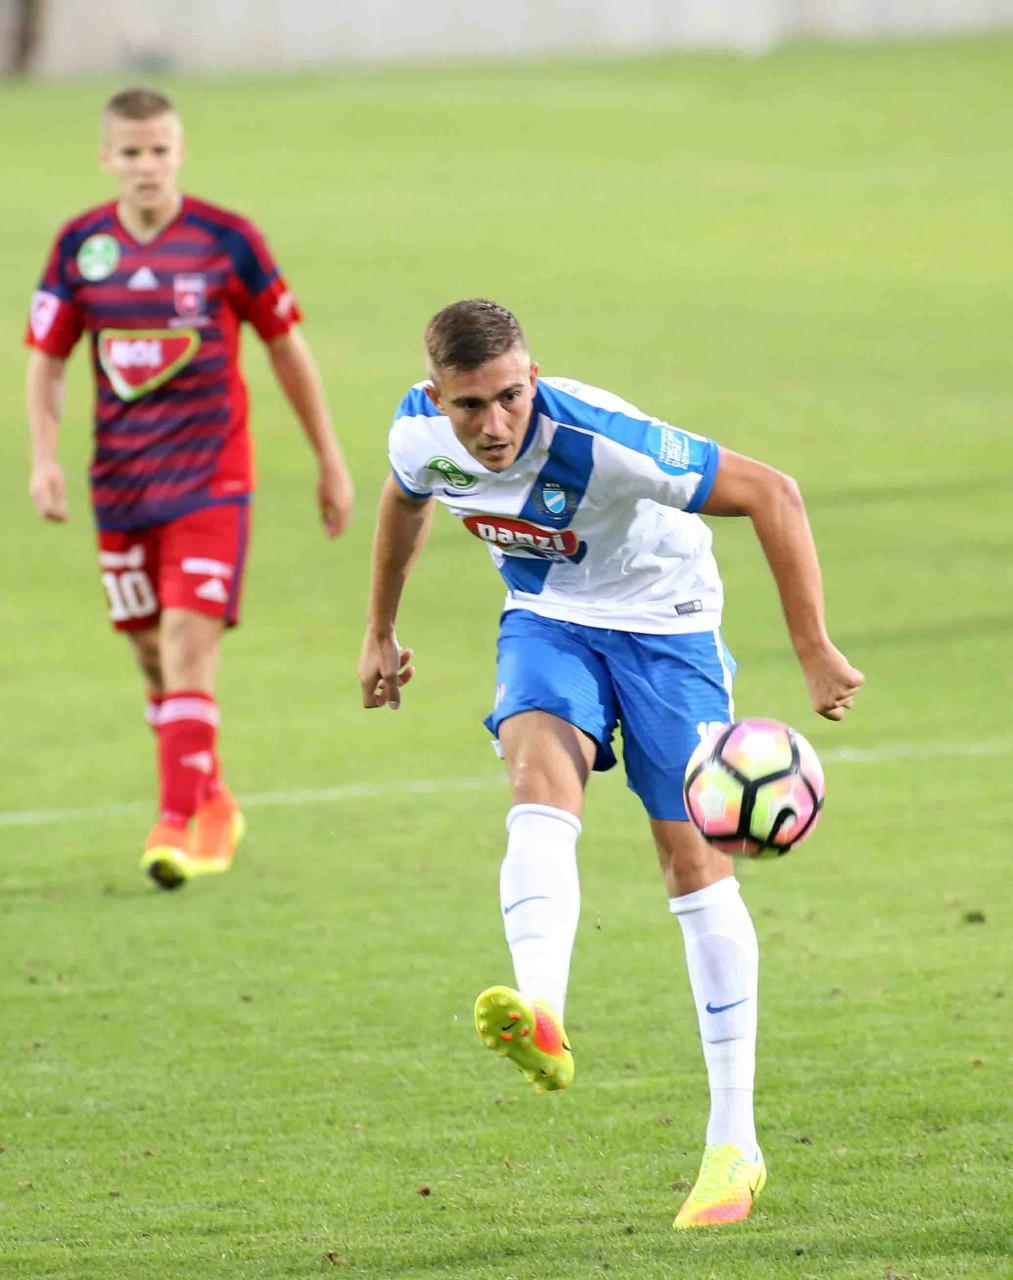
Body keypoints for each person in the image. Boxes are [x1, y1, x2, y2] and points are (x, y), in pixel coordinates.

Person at [358, 299, 864, 1228]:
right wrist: (379, 630)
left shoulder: (603, 441)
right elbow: (405, 497)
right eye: (470, 405)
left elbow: (772, 492)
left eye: (510, 397)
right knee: (536, 782)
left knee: (692, 867)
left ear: (532, 378)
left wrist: (813, 648)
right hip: (548, 619)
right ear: (437, 397)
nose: (494, 424)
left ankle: (733, 1145)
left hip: (668, 627)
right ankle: (541, 1014)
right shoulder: (417, 433)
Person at [26, 87, 354, 890]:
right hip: (121, 485)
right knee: (150, 654)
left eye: (159, 150)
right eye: (131, 152)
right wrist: (44, 458)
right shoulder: (80, 246)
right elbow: (48, 358)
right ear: (107, 157)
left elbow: (286, 347)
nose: (146, 166)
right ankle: (211, 796)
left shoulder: (227, 240)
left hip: (212, 480)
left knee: (186, 642)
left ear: (178, 152)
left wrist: (328, 458)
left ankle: (176, 823)